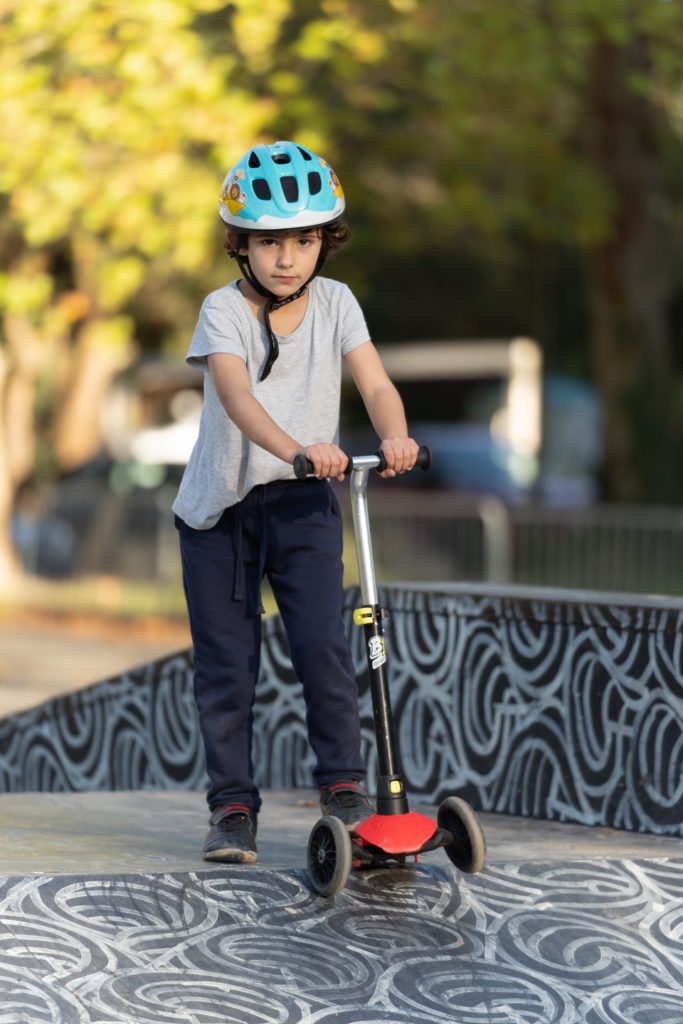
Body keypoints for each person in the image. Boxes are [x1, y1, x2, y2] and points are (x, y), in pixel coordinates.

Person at [173, 140, 418, 863]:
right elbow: (238, 397)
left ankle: (344, 789)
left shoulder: (337, 302)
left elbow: (373, 383)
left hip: (305, 505)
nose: (288, 257)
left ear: (324, 241)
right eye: (270, 241)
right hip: (220, 513)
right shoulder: (222, 311)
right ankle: (232, 810)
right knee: (227, 664)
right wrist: (298, 448)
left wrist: (395, 434)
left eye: (304, 239)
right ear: (240, 244)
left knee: (322, 649)